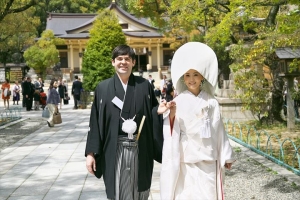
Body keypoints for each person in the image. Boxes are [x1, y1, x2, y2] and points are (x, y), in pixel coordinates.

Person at [85, 44, 165, 200]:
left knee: (139, 189)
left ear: (133, 62)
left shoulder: (144, 86)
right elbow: (95, 121)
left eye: (127, 59)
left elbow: (153, 113)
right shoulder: (103, 88)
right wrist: (90, 153)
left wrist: (159, 112)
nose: (123, 62)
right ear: (113, 62)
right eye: (119, 59)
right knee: (117, 191)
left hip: (139, 147)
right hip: (114, 148)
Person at [160, 42, 235, 200]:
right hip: (185, 156)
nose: (191, 79)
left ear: (202, 77)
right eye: (187, 75)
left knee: (207, 193)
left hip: (207, 156)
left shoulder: (211, 102)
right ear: (183, 78)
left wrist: (226, 155)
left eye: (195, 74)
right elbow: (172, 129)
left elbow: (219, 129)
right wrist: (171, 114)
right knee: (186, 194)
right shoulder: (178, 101)